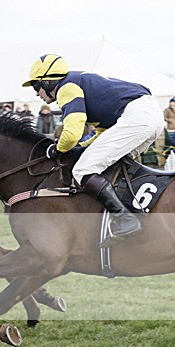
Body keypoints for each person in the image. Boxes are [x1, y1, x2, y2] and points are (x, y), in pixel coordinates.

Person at [22, 54, 162, 245]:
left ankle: (126, 220)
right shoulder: (78, 82)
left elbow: (71, 133)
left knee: (82, 170)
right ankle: (134, 211)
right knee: (111, 166)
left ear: (47, 81)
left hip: (137, 117)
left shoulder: (66, 87)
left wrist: (57, 149)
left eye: (36, 86)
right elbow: (102, 134)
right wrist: (82, 147)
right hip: (147, 115)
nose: (37, 93)